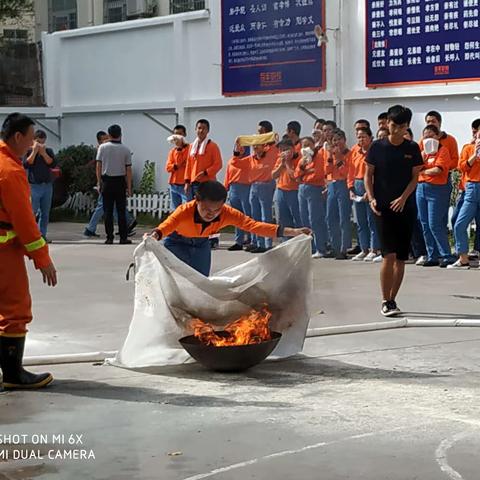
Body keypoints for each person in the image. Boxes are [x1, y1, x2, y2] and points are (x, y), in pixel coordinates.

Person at [0, 113, 57, 390]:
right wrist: (42, 257)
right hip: (3, 252)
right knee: (15, 310)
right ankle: (13, 374)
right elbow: (24, 221)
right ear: (18, 137)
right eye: (31, 137)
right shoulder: (10, 171)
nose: (33, 143)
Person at [149, 181, 310, 276]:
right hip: (176, 243)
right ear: (197, 201)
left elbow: (254, 226)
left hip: (201, 245)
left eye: (216, 210)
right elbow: (165, 227)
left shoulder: (228, 213)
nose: (210, 214)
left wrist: (293, 232)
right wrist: (155, 236)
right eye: (206, 210)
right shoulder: (184, 212)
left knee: (201, 281)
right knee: (174, 278)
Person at [365, 105, 424, 317]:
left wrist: (403, 198)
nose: (396, 129)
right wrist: (371, 198)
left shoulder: (412, 148)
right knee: (387, 255)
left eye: (401, 126)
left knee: (400, 257)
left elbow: (415, 177)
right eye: (392, 125)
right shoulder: (377, 148)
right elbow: (368, 175)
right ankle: (385, 299)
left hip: (405, 208)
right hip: (382, 208)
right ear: (387, 123)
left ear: (407, 126)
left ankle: (392, 299)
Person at [84, 131, 136, 238]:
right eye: (104, 139)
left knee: (110, 206)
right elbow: (99, 166)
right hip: (106, 181)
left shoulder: (114, 148)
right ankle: (92, 228)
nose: (107, 140)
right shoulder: (102, 148)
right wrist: (99, 182)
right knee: (103, 206)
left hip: (111, 181)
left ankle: (126, 223)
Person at [416, 125, 454, 267]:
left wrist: (422, 171)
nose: (428, 139)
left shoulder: (442, 151)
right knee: (424, 222)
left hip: (437, 189)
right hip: (421, 188)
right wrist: (422, 162)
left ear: (437, 137)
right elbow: (413, 168)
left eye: (431, 136)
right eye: (425, 136)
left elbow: (438, 170)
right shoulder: (422, 153)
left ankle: (446, 254)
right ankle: (432, 255)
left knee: (434, 223)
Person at [348, 127, 381, 262]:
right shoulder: (355, 151)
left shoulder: (375, 152)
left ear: (370, 137)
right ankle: (364, 248)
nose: (361, 140)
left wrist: (370, 191)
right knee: (360, 221)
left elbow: (376, 172)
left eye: (363, 137)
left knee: (371, 220)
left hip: (369, 185)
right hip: (357, 184)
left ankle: (374, 249)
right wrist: (350, 188)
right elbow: (350, 170)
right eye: (359, 137)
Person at [96, 124, 133, 245]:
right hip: (120, 181)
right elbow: (128, 170)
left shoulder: (102, 148)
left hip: (107, 181)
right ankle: (123, 237)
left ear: (109, 134)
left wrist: (98, 181)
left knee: (108, 211)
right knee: (121, 211)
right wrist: (129, 186)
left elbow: (99, 165)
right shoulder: (126, 149)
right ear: (121, 134)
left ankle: (109, 237)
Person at [449, 130, 480, 270]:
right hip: (472, 187)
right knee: (459, 224)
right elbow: (461, 167)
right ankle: (463, 259)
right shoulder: (468, 148)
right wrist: (474, 154)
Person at [295, 136, 328, 258]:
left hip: (314, 188)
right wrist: (303, 169)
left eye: (309, 145)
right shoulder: (302, 160)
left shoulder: (319, 157)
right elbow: (296, 175)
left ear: (314, 145)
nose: (306, 148)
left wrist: (304, 173)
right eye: (304, 145)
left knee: (315, 219)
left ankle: (321, 247)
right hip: (302, 188)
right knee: (304, 219)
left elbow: (317, 173)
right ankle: (310, 247)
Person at [23, 129, 56, 240]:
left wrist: (43, 153)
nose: (40, 144)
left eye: (42, 142)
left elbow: (52, 164)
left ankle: (42, 235)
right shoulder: (28, 151)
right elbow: (27, 164)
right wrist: (34, 151)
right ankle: (31, 235)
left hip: (47, 185)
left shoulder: (49, 151)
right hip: (34, 186)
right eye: (38, 142)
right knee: (32, 212)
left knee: (45, 213)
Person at [325, 128, 352, 259]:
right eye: (334, 140)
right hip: (332, 184)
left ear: (344, 140)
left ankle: (344, 248)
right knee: (330, 217)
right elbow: (327, 171)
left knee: (343, 218)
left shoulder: (349, 154)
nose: (336, 143)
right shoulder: (331, 154)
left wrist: (340, 159)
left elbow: (346, 173)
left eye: (339, 140)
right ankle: (334, 246)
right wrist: (331, 157)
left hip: (343, 184)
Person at [184, 119, 222, 200]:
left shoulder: (213, 146)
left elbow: (218, 164)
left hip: (208, 182)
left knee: (207, 206)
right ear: (195, 129)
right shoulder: (191, 146)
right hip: (194, 183)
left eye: (204, 128)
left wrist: (205, 172)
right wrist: (187, 182)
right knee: (194, 206)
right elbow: (188, 165)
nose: (201, 130)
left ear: (208, 130)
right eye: (199, 128)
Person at [224, 144, 252, 251]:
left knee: (248, 215)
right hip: (234, 188)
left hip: (246, 187)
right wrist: (225, 187)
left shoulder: (249, 160)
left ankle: (250, 238)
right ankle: (238, 241)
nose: (240, 149)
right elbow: (228, 175)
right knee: (236, 216)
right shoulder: (232, 161)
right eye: (238, 147)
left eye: (242, 147)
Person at [272, 138, 302, 238]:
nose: (283, 152)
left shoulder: (299, 159)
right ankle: (286, 243)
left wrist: (288, 163)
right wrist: (282, 164)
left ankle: (301, 243)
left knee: (298, 219)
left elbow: (295, 177)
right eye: (281, 150)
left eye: (286, 149)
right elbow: (273, 175)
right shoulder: (280, 160)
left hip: (294, 192)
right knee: (282, 220)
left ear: (293, 149)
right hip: (280, 190)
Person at [166, 125, 189, 210]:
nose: (177, 137)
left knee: (186, 209)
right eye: (175, 134)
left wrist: (177, 164)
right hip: (173, 184)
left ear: (184, 135)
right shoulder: (172, 151)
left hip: (185, 184)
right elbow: (168, 167)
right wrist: (176, 166)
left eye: (180, 134)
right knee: (175, 209)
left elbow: (187, 164)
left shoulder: (189, 149)